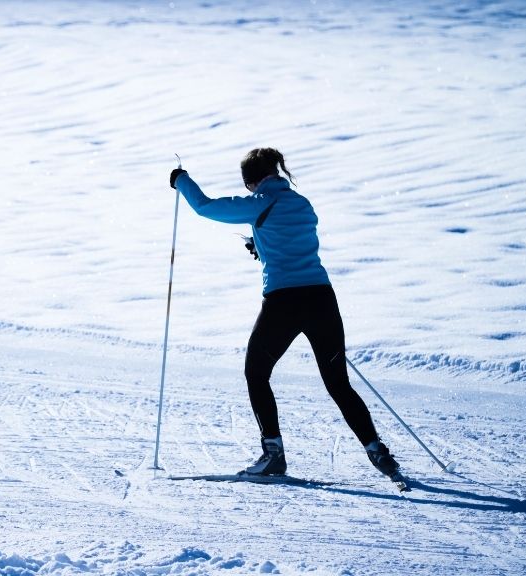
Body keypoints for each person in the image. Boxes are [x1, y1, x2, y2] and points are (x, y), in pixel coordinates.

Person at [168, 148, 401, 480]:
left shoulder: (260, 202)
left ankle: (273, 454)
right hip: (322, 298)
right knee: (338, 383)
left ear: (253, 179)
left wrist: (181, 180)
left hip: (284, 302)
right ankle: (377, 451)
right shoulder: (303, 205)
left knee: (256, 373)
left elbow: (205, 207)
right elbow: (291, 240)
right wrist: (261, 245)